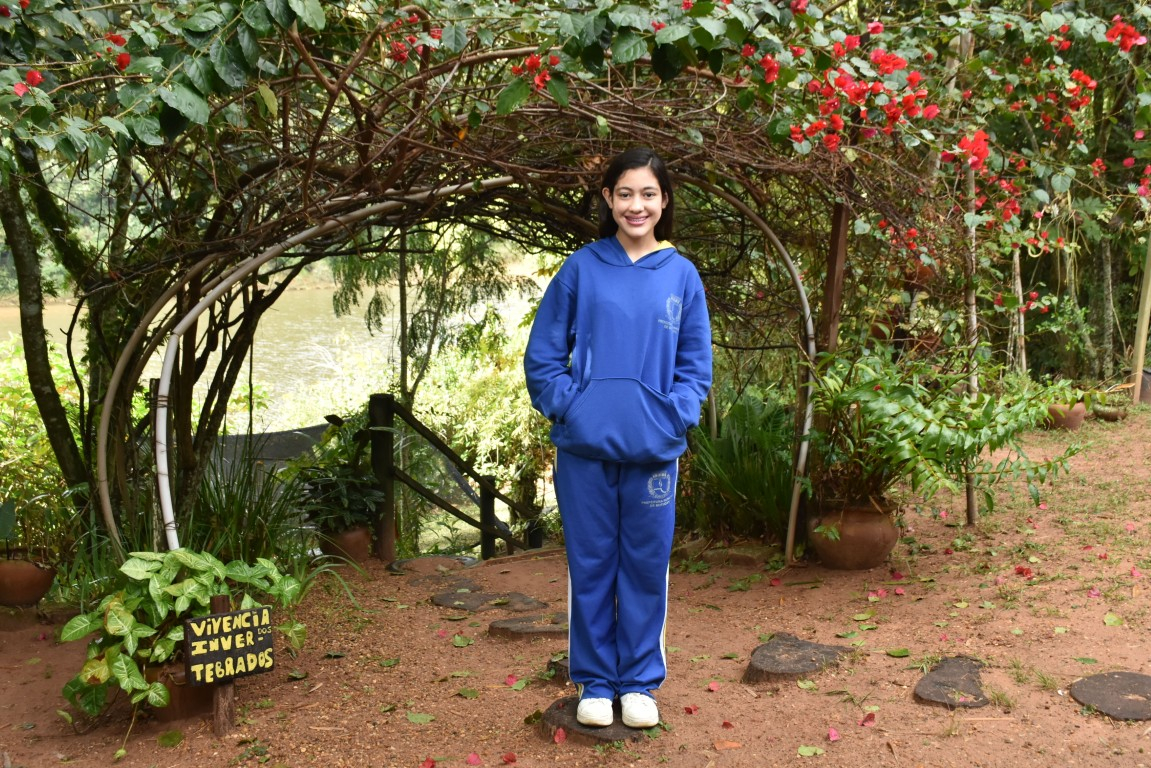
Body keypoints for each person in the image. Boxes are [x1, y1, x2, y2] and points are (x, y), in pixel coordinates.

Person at [523, 148, 713, 729]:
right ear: (608, 199)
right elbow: (543, 357)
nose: (637, 205)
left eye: (648, 194)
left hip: (654, 449)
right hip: (584, 450)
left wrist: (672, 416)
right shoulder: (581, 269)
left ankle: (638, 683)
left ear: (664, 200)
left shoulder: (681, 274)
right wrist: (572, 408)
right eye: (625, 193)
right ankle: (596, 681)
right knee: (591, 563)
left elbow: (695, 368)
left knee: (645, 565)